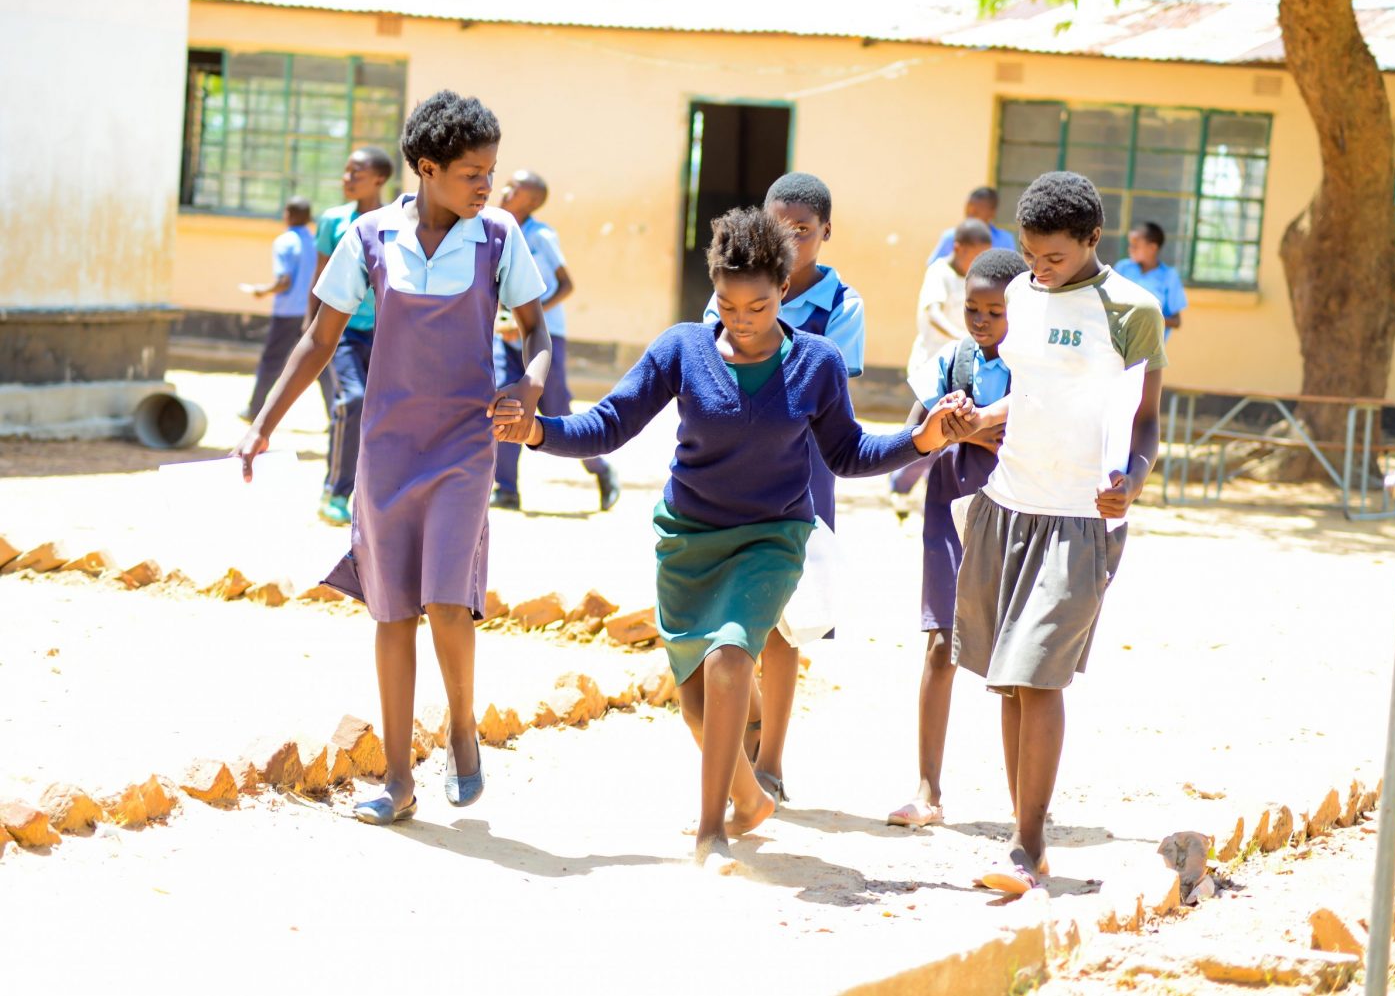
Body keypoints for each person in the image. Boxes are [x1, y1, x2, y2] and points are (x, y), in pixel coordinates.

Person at [494, 207, 974, 869]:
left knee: (728, 659)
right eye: (728, 302)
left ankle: (710, 832)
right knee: (696, 710)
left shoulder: (817, 364)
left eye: (759, 304)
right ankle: (750, 802)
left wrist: (921, 440)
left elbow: (848, 451)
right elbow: (610, 422)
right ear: (713, 290)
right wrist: (539, 431)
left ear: (785, 290)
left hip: (771, 539)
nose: (743, 318)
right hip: (688, 540)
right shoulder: (682, 349)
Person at [234, 91, 552, 826]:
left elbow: (537, 337)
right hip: (388, 448)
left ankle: (464, 728)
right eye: (473, 172)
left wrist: (528, 391)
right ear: (429, 168)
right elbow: (318, 339)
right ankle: (400, 779)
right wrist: (263, 424)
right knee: (391, 610)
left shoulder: (500, 237)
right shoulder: (370, 237)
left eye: (492, 171)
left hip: (465, 444)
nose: (487, 185)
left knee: (447, 595)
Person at [952, 172, 1165, 892]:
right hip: (1008, 503)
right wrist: (983, 418)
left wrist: (1131, 480)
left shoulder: (1132, 308)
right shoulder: (1019, 294)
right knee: (1008, 682)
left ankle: (1025, 843)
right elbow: (1036, 390)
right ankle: (1026, 837)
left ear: (1091, 240)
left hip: (1081, 518)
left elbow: (1145, 418)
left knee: (1039, 674)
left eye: (1054, 257)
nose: (1040, 269)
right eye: (1032, 255)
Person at [702, 172, 863, 804]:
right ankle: (745, 733)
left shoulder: (840, 307)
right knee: (729, 616)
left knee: (784, 625)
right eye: (780, 227)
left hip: (801, 475)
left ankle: (769, 759)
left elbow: (824, 390)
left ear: (827, 232)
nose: (792, 241)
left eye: (805, 230)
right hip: (729, 471)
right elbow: (704, 368)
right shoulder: (730, 293)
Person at [887, 247, 1029, 829]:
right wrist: (942, 429)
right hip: (950, 506)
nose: (981, 322)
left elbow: (1040, 432)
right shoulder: (954, 360)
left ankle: (1026, 807)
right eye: (973, 309)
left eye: (994, 312)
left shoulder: (1034, 369)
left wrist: (989, 431)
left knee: (1015, 660)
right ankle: (928, 790)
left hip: (1015, 509)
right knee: (941, 644)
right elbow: (916, 429)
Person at [490, 170, 620, 512]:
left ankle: (600, 469)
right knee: (506, 400)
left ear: (531, 201)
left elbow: (566, 285)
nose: (505, 190)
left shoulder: (542, 235)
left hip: (544, 334)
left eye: (514, 189)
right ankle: (505, 488)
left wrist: (529, 313)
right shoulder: (495, 230)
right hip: (506, 334)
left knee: (558, 411)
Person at [303, 146, 395, 527]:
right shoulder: (332, 221)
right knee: (351, 401)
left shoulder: (397, 221)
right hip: (339, 332)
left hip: (387, 332)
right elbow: (321, 277)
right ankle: (335, 491)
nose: (347, 178)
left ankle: (374, 497)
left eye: (355, 172)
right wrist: (310, 330)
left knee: (383, 412)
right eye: (345, 171)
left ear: (379, 178)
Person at [889, 218, 996, 517]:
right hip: (935, 369)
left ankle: (929, 490)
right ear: (958, 248)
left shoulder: (975, 278)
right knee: (925, 433)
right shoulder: (940, 272)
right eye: (974, 253)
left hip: (965, 372)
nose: (978, 261)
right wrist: (962, 337)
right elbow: (932, 312)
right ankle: (899, 483)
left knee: (951, 436)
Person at [243, 198, 333, 421]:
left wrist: (262, 291)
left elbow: (284, 281)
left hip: (287, 312)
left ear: (288, 215)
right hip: (312, 311)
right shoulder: (315, 242)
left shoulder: (284, 242)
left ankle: (255, 409)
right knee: (319, 362)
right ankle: (335, 412)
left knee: (272, 361)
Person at [1115, 221, 1187, 340]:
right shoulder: (1122, 268)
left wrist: (1147, 318)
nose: (1130, 249)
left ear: (1152, 248)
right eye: (1130, 244)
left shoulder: (1169, 276)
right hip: (1117, 342)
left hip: (1148, 348)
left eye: (1135, 246)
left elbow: (1176, 321)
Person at [926, 187, 1016, 266]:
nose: (969, 216)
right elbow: (933, 267)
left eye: (975, 213)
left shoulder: (1005, 240)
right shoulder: (951, 237)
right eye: (967, 211)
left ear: (992, 212)